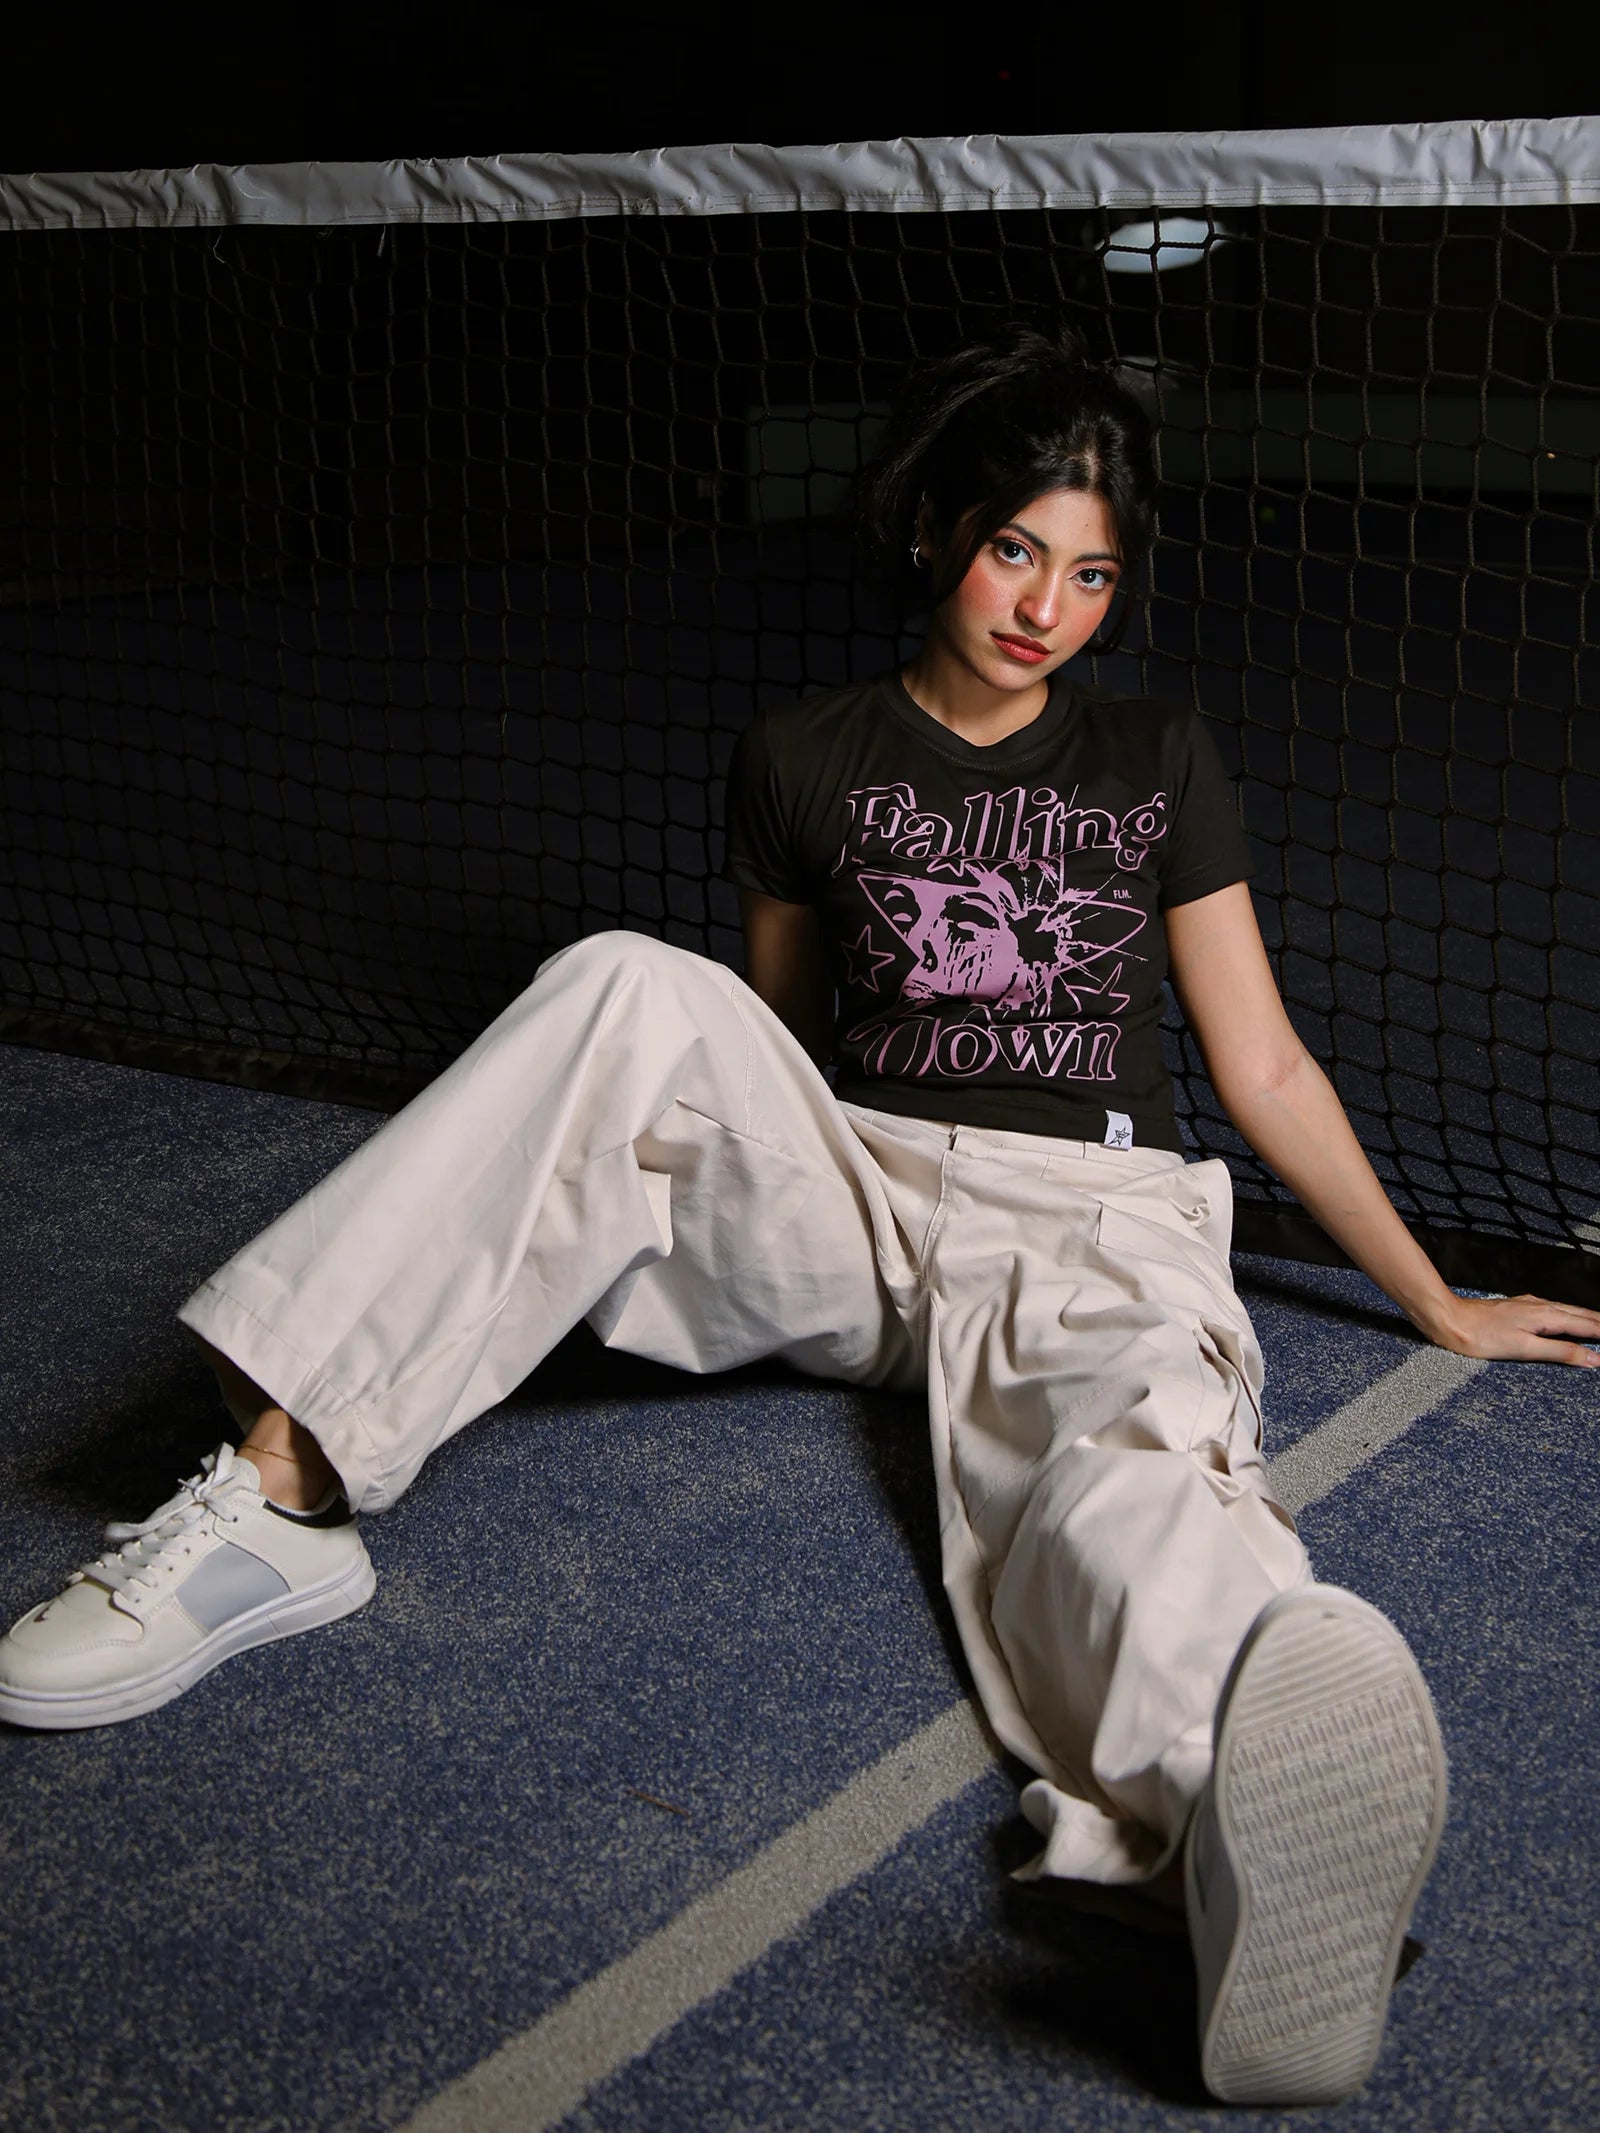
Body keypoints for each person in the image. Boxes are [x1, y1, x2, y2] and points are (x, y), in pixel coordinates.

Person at [3, 324, 1596, 2107]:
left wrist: (1437, 1295)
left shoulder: (1157, 755)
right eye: (1015, 550)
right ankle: (283, 1492)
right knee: (624, 985)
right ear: (934, 529)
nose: (1047, 606)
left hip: (1090, 1213)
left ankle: (1225, 1795)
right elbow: (765, 1048)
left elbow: (1269, 1067)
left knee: (1135, 1461)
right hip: (858, 1192)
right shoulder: (797, 754)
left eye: (1089, 573)